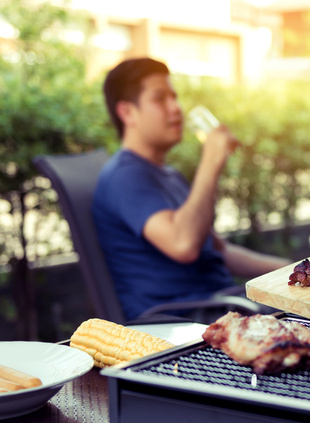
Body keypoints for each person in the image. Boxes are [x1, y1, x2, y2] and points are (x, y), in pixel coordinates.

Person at [93, 57, 290, 322]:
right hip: (184, 320)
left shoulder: (170, 175)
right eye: (160, 99)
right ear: (127, 112)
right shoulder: (125, 176)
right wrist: (211, 160)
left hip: (222, 305)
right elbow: (183, 244)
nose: (175, 108)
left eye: (174, 97)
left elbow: (221, 251)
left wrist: (293, 271)